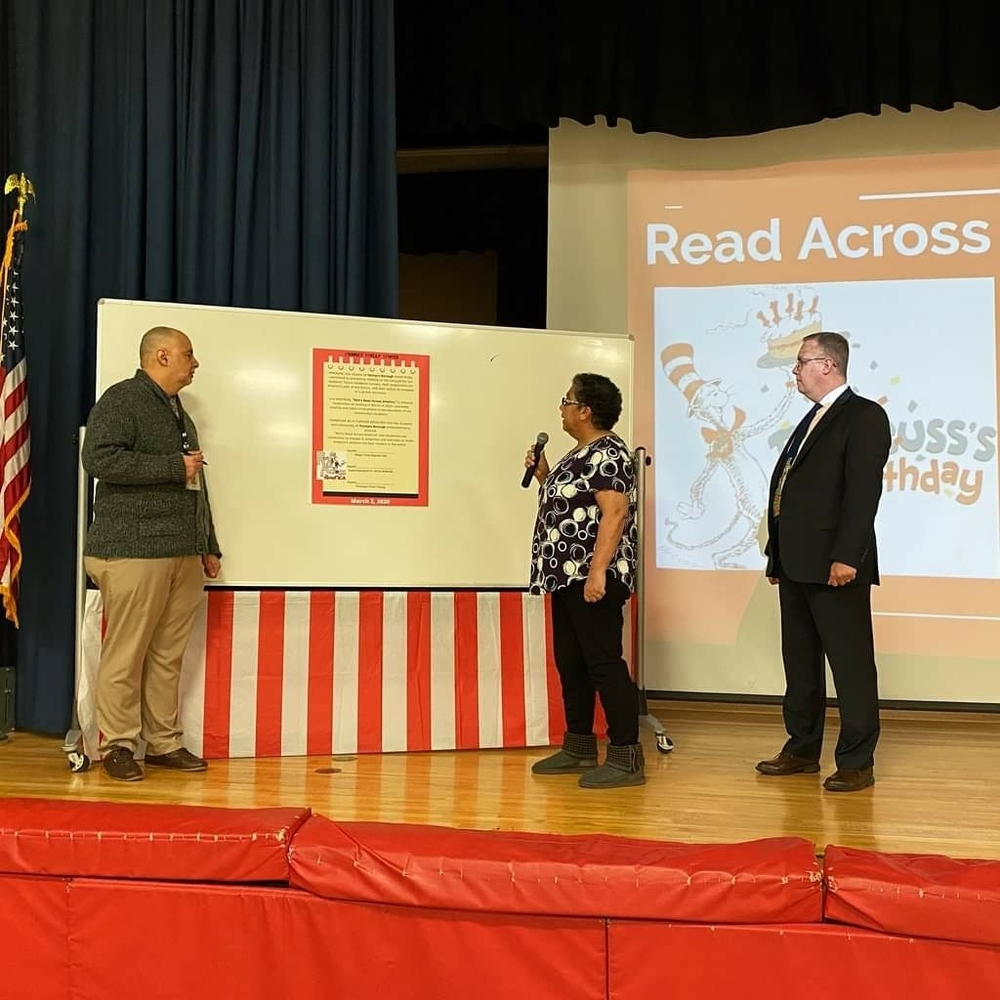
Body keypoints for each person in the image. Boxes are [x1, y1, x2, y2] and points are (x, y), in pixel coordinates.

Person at [82, 326, 222, 782]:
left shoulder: (179, 411)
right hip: (132, 549)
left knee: (167, 654)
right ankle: (118, 744)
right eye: (189, 353)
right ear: (161, 356)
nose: (194, 362)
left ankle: (163, 742)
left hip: (181, 551)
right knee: (127, 652)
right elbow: (98, 459)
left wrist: (208, 544)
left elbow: (194, 483)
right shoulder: (123, 399)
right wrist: (170, 466)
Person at [756, 331, 890, 793]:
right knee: (800, 662)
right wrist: (776, 555)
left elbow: (861, 493)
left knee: (850, 664)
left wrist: (846, 556)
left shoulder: (864, 415)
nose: (795, 370)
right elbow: (786, 493)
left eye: (800, 361)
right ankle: (801, 748)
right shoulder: (813, 418)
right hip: (794, 564)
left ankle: (856, 760)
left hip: (836, 565)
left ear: (827, 365)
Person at [526, 373, 644, 788]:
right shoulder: (579, 454)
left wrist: (598, 571)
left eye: (566, 399)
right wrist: (544, 475)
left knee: (603, 663)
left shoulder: (608, 453)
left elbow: (614, 512)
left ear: (585, 410)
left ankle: (627, 756)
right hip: (565, 576)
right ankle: (578, 746)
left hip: (591, 575)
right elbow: (573, 510)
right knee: (572, 662)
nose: (561, 407)